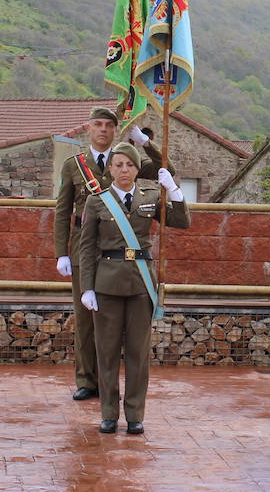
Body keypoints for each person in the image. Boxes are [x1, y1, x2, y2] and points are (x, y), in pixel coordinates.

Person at [77, 143, 190, 434]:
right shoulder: (97, 201)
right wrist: (87, 287)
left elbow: (181, 222)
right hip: (107, 283)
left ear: (138, 169)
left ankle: (135, 414)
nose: (124, 170)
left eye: (129, 165)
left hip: (141, 283)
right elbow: (87, 248)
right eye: (118, 165)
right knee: (107, 352)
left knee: (139, 354)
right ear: (110, 170)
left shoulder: (151, 197)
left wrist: (174, 190)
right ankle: (109, 413)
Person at [53, 106, 164, 401]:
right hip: (84, 250)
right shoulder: (74, 165)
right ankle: (87, 380)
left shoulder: (126, 160)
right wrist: (60, 252)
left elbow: (166, 169)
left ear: (116, 130)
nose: (103, 130)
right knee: (86, 319)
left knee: (116, 326)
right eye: (98, 124)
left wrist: (143, 142)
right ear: (88, 128)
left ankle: (111, 385)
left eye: (109, 126)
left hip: (120, 252)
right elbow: (63, 211)